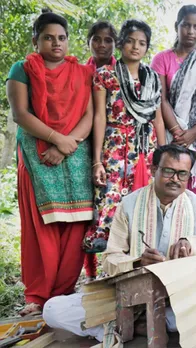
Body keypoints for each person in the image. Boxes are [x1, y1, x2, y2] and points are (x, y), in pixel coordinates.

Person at [43, 144, 196, 342]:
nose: (175, 179)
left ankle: (129, 325)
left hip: (180, 297)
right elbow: (110, 260)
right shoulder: (129, 205)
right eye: (169, 171)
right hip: (128, 297)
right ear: (154, 170)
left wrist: (191, 243)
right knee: (52, 310)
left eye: (182, 174)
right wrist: (137, 263)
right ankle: (139, 323)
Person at [6, 10, 94, 316]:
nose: (56, 43)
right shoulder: (23, 69)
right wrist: (56, 138)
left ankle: (63, 293)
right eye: (48, 37)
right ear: (36, 40)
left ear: (69, 41)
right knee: (40, 224)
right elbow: (20, 113)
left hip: (75, 154)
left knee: (76, 224)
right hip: (37, 153)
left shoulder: (83, 73)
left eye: (61, 38)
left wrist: (67, 145)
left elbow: (89, 116)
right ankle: (38, 295)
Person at [83, 20, 165, 256]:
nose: (135, 47)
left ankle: (141, 256)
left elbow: (157, 119)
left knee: (145, 201)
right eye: (130, 41)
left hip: (145, 148)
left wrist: (162, 155)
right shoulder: (105, 75)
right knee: (110, 198)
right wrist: (97, 160)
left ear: (147, 47)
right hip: (115, 146)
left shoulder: (152, 79)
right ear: (120, 44)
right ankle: (109, 259)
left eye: (142, 43)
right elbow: (100, 117)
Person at [152, 5, 196, 209]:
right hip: (169, 132)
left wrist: (193, 132)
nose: (191, 31)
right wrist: (177, 131)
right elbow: (161, 99)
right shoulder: (162, 59)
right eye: (186, 25)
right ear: (177, 26)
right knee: (170, 184)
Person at [83, 20, 118, 282]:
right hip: (81, 145)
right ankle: (90, 271)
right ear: (89, 42)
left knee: (109, 208)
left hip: (113, 150)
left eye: (108, 40)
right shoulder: (79, 71)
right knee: (89, 209)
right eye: (97, 39)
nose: (102, 45)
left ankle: (110, 269)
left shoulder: (126, 72)